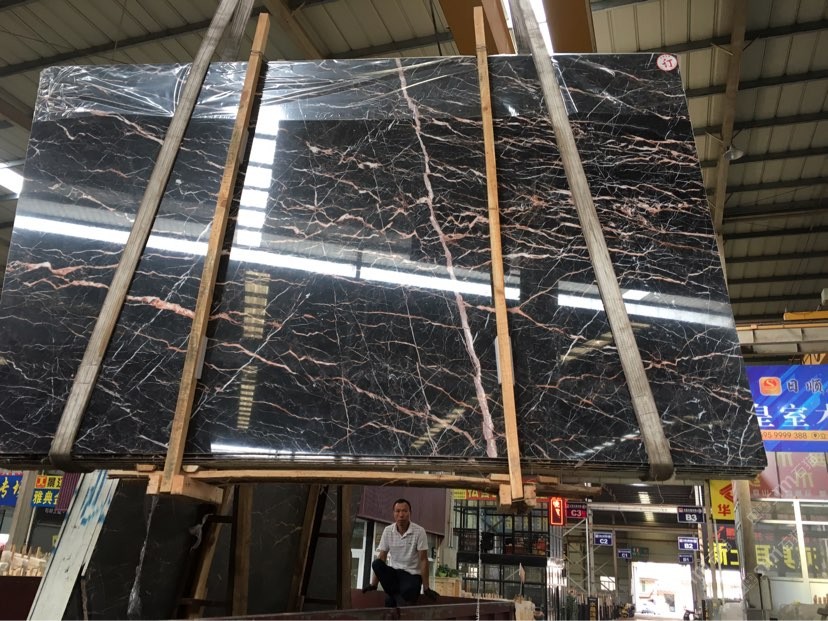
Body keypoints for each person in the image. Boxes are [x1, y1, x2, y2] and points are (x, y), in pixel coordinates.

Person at [362, 498, 439, 607]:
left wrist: (426, 588)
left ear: (410, 513)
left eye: (404, 511)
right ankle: (398, 598)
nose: (401, 515)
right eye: (397, 511)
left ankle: (395, 597)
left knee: (404, 593)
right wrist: (373, 584)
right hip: (395, 574)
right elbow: (382, 556)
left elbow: (423, 560)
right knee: (376, 563)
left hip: (412, 575)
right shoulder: (388, 530)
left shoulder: (419, 531)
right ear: (393, 513)